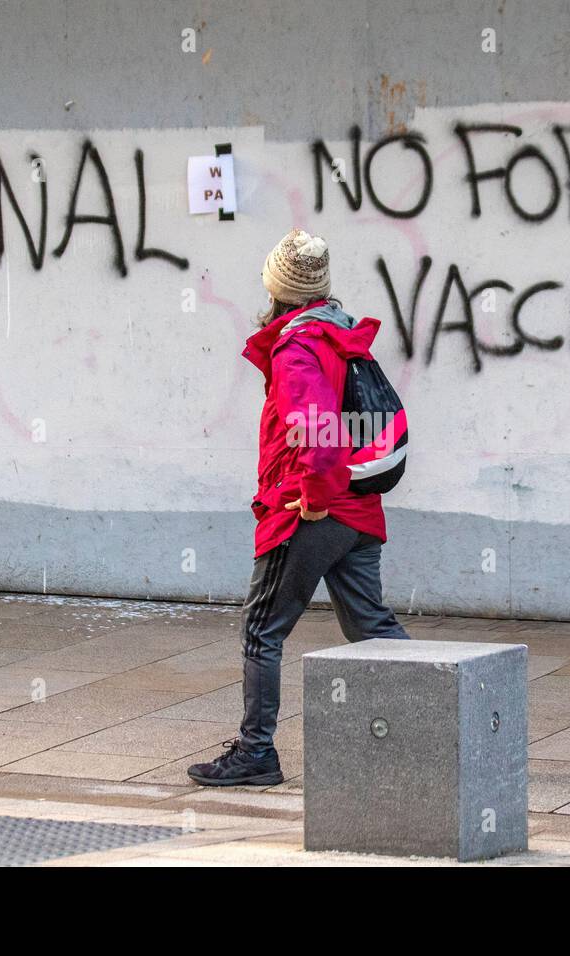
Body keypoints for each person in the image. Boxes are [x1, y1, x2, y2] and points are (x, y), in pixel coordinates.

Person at [187, 228, 410, 787]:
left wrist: (310, 498)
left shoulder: (296, 347)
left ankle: (256, 753)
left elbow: (318, 430)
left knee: (262, 631)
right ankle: (447, 715)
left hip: (312, 510)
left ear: (277, 288)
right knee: (370, 626)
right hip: (359, 512)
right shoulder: (341, 333)